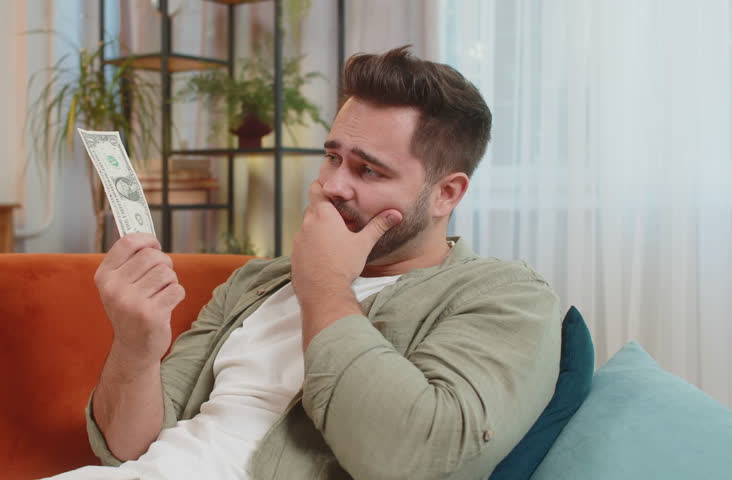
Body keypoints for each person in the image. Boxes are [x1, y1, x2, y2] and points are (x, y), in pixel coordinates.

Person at [45, 46, 561, 480]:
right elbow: (126, 448)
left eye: (369, 170)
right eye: (334, 156)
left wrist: (326, 286)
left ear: (446, 194)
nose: (333, 185)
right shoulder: (256, 282)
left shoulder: (505, 296)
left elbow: (414, 458)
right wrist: (136, 347)